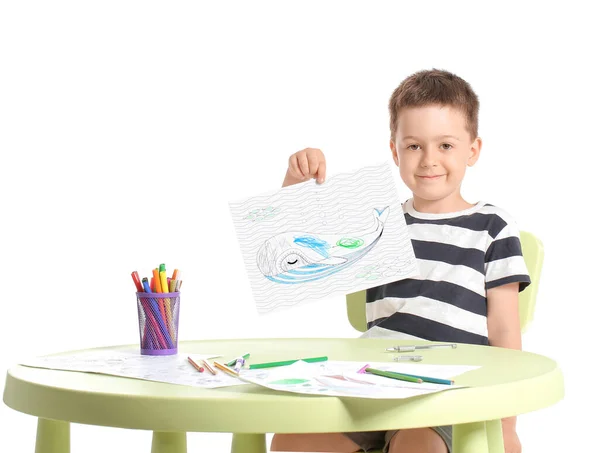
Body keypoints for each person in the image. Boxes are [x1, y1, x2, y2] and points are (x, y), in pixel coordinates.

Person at [270, 69, 530, 453]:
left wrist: (506, 420)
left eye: (445, 145)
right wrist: (296, 185)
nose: (429, 160)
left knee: (418, 443)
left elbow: (505, 332)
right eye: (413, 146)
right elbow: (293, 254)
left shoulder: (492, 227)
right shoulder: (380, 223)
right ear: (395, 151)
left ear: (472, 150)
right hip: (372, 383)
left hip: (448, 395)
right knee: (291, 442)